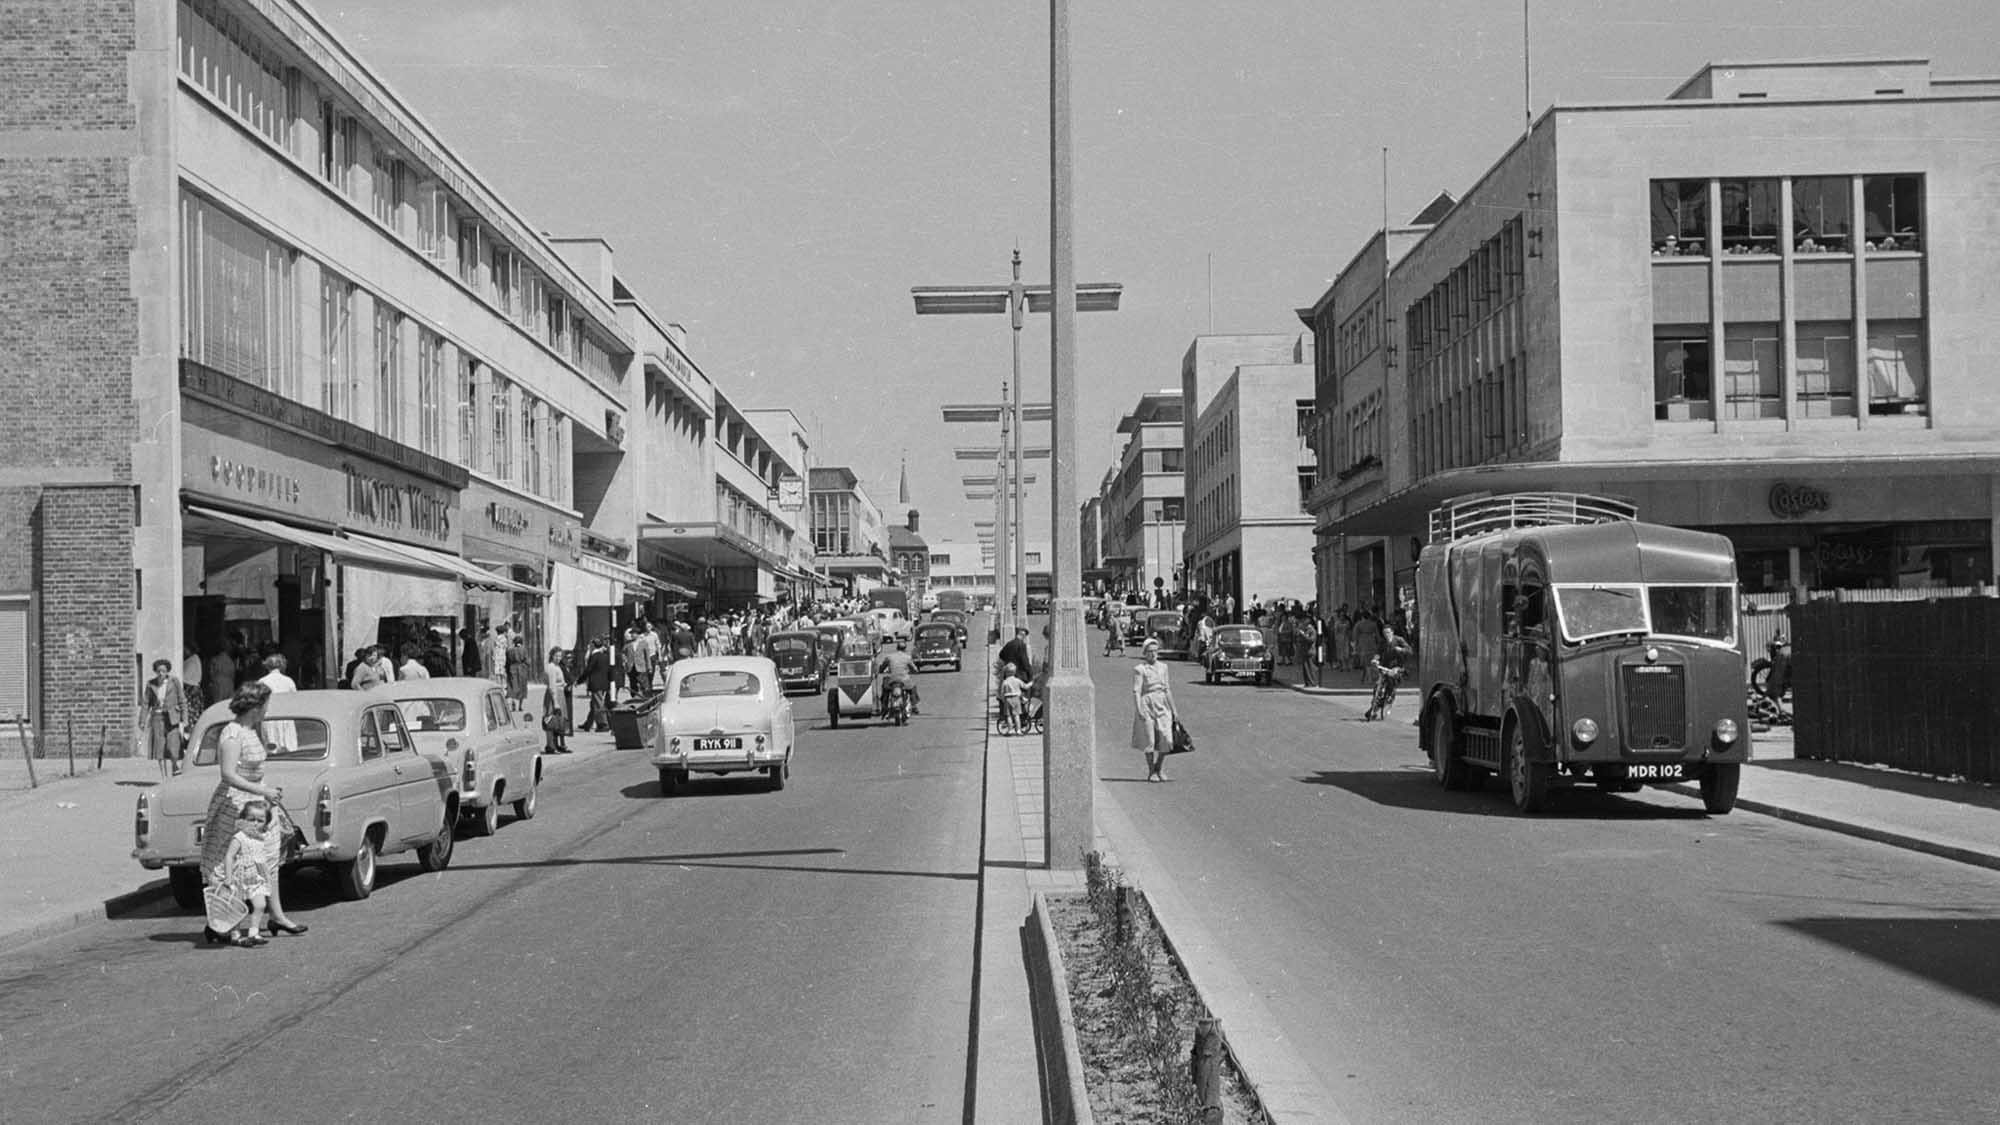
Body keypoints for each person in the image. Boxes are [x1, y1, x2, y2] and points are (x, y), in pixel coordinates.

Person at [198, 683, 305, 944]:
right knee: (230, 862)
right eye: (265, 705)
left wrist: (267, 794)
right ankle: (222, 921)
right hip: (236, 805)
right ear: (255, 707)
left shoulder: (251, 729)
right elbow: (228, 774)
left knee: (268, 859)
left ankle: (277, 915)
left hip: (258, 803)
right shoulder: (232, 733)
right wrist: (262, 790)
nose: (267, 710)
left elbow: (255, 767)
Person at [220, 799, 278, 946]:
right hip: (240, 876)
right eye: (251, 819)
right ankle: (235, 933)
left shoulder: (261, 837)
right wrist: (228, 877)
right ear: (244, 819)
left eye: (260, 820)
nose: (255, 823)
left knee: (260, 904)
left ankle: (254, 932)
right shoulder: (240, 837)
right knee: (238, 907)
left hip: (256, 877)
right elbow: (229, 856)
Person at [1130, 638, 1178, 782]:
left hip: (1162, 704)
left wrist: (1174, 709)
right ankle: (1152, 771)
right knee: (1150, 740)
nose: (1153, 654)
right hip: (1147, 704)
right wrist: (1139, 709)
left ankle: (1159, 767)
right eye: (1150, 652)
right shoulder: (1140, 669)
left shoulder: (1164, 667)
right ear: (1145, 653)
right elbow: (1136, 690)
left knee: (1166, 739)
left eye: (1155, 651)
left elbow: (1167, 689)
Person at [141, 658, 188, 779]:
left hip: (172, 717)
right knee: (159, 748)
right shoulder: (151, 684)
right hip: (157, 717)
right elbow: (146, 703)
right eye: (158, 671)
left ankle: (174, 766)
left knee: (173, 746)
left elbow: (182, 700)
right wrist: (142, 720)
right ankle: (163, 777)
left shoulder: (174, 682)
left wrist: (185, 718)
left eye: (163, 671)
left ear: (167, 671)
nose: (161, 673)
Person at [1365, 625, 1414, 721]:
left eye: (1388, 632)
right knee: (1377, 686)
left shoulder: (1399, 640)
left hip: (1397, 667)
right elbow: (1378, 653)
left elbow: (1410, 651)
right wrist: (1375, 660)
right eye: (1384, 633)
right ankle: (1374, 707)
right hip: (1385, 667)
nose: (1386, 635)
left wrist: (1402, 650)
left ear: (1392, 632)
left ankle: (1389, 697)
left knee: (1391, 683)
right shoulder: (1382, 643)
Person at [876, 636, 920, 716]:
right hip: (904, 681)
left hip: (892, 680)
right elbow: (914, 669)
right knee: (912, 687)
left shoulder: (890, 657)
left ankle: (884, 706)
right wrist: (915, 671)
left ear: (897, 648)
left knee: (885, 689)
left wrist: (881, 670)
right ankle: (914, 705)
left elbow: (882, 667)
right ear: (905, 649)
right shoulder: (907, 657)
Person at [579, 636, 613, 731]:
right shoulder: (604, 655)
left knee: (598, 704)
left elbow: (588, 669)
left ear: (593, 646)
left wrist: (580, 680)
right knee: (594, 704)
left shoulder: (594, 656)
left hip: (596, 683)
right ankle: (588, 723)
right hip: (603, 683)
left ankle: (604, 724)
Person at [542, 646, 570, 754]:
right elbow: (552, 685)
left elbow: (559, 682)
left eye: (560, 656)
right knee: (550, 719)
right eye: (556, 656)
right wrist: (555, 702)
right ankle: (550, 745)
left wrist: (564, 685)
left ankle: (560, 744)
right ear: (552, 656)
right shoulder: (551, 667)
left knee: (560, 720)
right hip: (554, 695)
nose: (558, 658)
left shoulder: (557, 667)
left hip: (560, 693)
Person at [622, 626, 655, 700]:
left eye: (633, 634)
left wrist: (649, 667)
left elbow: (647, 656)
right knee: (633, 684)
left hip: (641, 667)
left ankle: (647, 697)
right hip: (631, 667)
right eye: (631, 634)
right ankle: (634, 698)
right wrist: (625, 661)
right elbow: (623, 653)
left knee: (644, 684)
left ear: (638, 634)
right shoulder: (628, 644)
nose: (632, 635)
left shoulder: (643, 643)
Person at [997, 661, 1026, 736]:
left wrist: (1003, 699)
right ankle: (1018, 730)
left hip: (1007, 699)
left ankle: (1010, 730)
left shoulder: (1005, 682)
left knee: (1009, 715)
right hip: (1016, 699)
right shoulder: (1017, 680)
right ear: (1015, 672)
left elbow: (1002, 692)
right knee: (1016, 715)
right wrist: (1031, 683)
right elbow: (1024, 686)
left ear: (1006, 673)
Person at [1297, 610, 1322, 688]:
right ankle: (1307, 683)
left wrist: (1303, 635)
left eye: (1305, 620)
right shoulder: (1305, 630)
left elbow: (1311, 640)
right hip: (1304, 651)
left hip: (1310, 651)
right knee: (1305, 669)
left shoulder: (1312, 630)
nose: (1303, 622)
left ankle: (1312, 683)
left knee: (1311, 668)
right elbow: (1300, 639)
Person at [505, 634, 529, 710]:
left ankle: (513, 703)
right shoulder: (524, 649)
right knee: (522, 687)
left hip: (512, 668)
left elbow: (507, 662)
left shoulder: (510, 650)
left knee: (512, 686)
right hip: (522, 669)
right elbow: (527, 660)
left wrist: (507, 670)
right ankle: (520, 706)